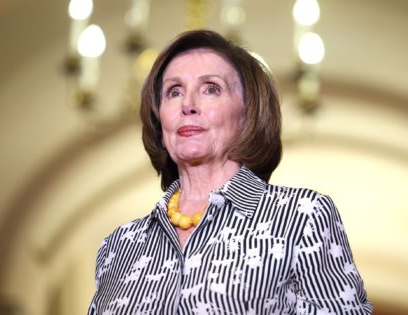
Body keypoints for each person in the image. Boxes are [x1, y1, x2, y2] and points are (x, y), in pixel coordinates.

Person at [88, 30, 372, 315]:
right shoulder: (118, 246)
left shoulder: (302, 218)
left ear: (248, 114)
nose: (188, 105)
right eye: (174, 92)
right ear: (159, 119)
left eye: (211, 88)